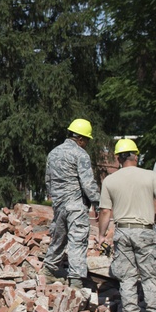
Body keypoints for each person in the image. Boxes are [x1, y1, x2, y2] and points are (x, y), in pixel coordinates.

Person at [97, 138, 156, 312]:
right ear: (136, 155)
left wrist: (101, 234)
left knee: (127, 277)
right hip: (145, 231)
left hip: (123, 231)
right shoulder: (150, 176)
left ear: (117, 158)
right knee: (151, 276)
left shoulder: (110, 180)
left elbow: (105, 211)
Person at [43, 118, 100, 290]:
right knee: (77, 240)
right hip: (76, 205)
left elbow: (48, 181)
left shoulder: (53, 153)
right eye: (87, 141)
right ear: (81, 139)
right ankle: (75, 281)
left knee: (59, 237)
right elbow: (88, 183)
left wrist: (56, 200)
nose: (87, 144)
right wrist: (98, 203)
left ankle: (49, 270)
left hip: (59, 205)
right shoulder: (81, 154)